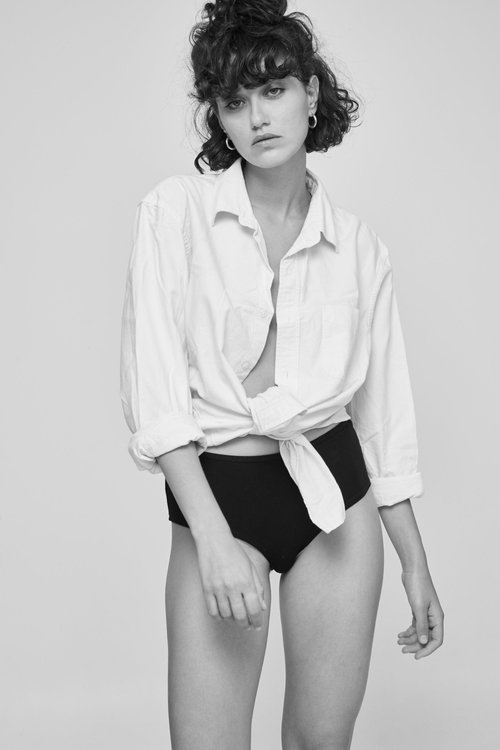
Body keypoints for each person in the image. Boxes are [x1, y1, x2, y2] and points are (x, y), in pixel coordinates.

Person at [119, 1, 444, 748]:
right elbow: (157, 394)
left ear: (311, 93)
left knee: (319, 745)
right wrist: (212, 537)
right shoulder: (175, 213)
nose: (259, 116)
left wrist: (415, 563)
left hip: (334, 505)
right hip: (218, 496)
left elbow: (382, 418)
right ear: (219, 118)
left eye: (274, 89)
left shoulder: (358, 246)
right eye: (235, 101)